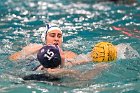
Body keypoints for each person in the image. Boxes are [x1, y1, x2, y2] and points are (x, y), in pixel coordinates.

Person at [9, 24, 109, 82]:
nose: (56, 39)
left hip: (58, 78)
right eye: (52, 35)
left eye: (59, 36)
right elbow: (12, 59)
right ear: (44, 38)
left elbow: (85, 60)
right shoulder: (35, 49)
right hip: (32, 76)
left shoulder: (69, 54)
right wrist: (27, 51)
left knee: (82, 79)